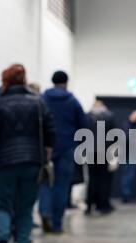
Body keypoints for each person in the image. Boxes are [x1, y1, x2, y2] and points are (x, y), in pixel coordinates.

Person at [0, 64, 55, 243]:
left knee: (4, 206)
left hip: (4, 163)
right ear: (24, 79)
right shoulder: (37, 102)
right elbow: (50, 131)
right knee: (25, 208)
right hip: (32, 162)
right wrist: (46, 154)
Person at [39, 71, 88, 233]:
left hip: (46, 147)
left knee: (45, 181)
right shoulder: (72, 101)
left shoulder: (42, 99)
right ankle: (57, 223)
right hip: (67, 148)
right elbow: (84, 126)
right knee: (62, 185)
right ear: (66, 83)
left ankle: (45, 211)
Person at [86, 100, 116, 215]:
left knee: (91, 179)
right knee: (103, 179)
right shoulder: (109, 116)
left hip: (90, 151)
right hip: (104, 151)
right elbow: (115, 135)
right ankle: (102, 205)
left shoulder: (87, 116)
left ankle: (89, 205)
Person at [120, 110, 136, 204]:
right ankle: (126, 197)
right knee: (127, 176)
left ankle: (127, 195)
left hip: (131, 154)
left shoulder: (132, 125)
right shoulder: (126, 124)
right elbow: (125, 138)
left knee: (129, 176)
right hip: (127, 154)